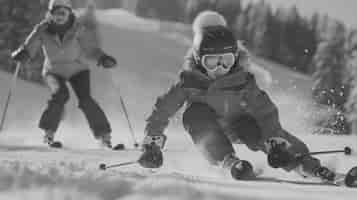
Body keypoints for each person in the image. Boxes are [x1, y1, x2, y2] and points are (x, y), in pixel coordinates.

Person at [137, 11, 337, 181]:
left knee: (254, 129)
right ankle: (229, 162)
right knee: (194, 114)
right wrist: (151, 145)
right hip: (208, 129)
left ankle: (305, 166)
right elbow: (163, 109)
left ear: (234, 57)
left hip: (239, 124)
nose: (220, 68)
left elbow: (266, 112)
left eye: (226, 61)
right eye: (212, 62)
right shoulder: (189, 82)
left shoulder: (242, 80)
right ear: (198, 60)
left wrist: (276, 142)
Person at [11, 0, 117, 148]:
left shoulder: (78, 28)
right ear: (50, 14)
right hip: (53, 71)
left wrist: (103, 57)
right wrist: (23, 54)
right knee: (60, 94)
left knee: (85, 99)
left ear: (69, 14)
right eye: (56, 13)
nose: (59, 17)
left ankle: (104, 136)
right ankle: (49, 134)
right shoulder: (42, 29)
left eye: (63, 13)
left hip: (78, 69)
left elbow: (90, 48)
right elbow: (30, 46)